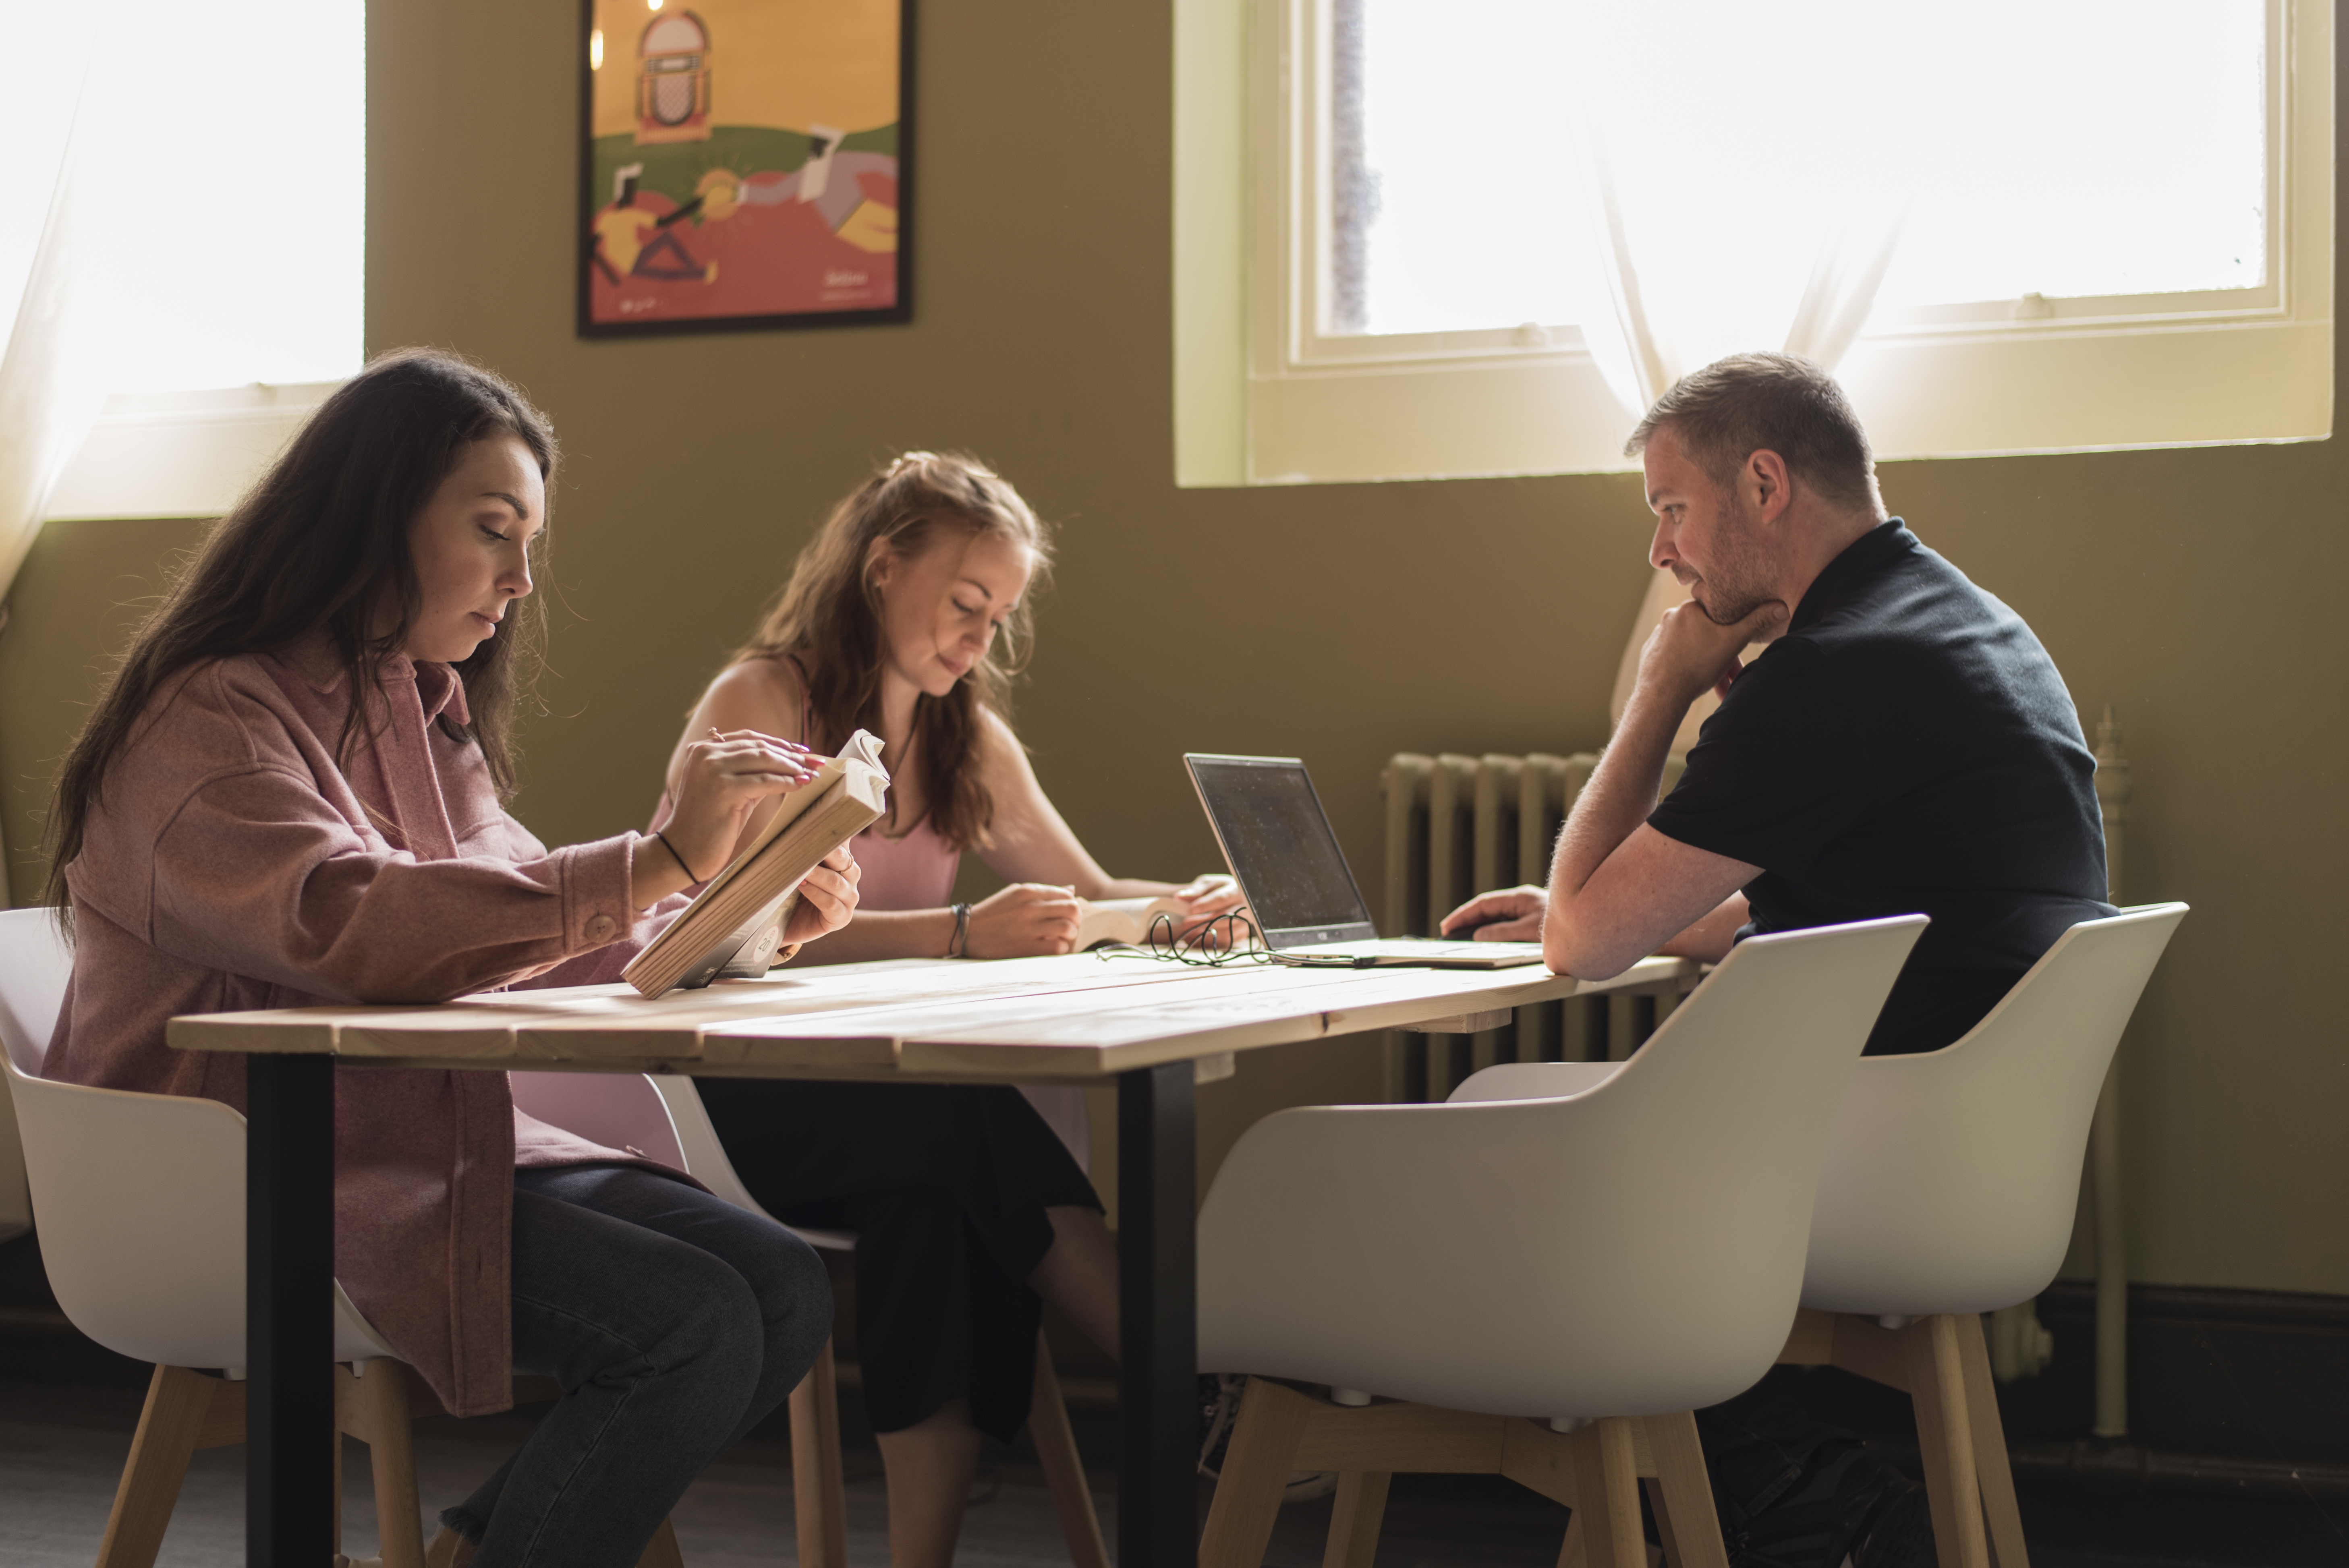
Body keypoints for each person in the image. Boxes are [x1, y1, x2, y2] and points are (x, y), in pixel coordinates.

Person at [40, 348, 861, 1568]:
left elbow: (513, 930)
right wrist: (656, 857)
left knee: (784, 1287)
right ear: (376, 516)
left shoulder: (417, 706)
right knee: (688, 1325)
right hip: (247, 1179)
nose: (522, 581)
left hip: (412, 1138)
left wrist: (734, 913)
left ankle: (479, 1549)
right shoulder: (204, 720)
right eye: (494, 533)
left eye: (530, 543)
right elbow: (356, 924)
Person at [1441, 353, 2114, 1568]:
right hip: (1969, 1144)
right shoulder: (1965, 621)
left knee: (1491, 1141)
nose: (1662, 556)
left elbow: (1585, 949)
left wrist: (1658, 693)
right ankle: (1780, 1482)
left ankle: (1786, 1477)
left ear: (1762, 483)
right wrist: (1620, 903)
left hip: (1884, 1153)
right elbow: (1870, 912)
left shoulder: (1832, 669)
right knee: (1552, 1141)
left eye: (1669, 509)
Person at [653, 450, 1241, 1567]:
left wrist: (1187, 906)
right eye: (967, 605)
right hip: (732, 1089)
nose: (979, 640)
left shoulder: (965, 732)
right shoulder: (763, 702)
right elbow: (719, 928)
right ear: (883, 569)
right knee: (963, 1125)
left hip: (886, 1104)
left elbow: (1089, 890)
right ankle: (1197, 1380)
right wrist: (959, 931)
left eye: (999, 618)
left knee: (935, 1207)